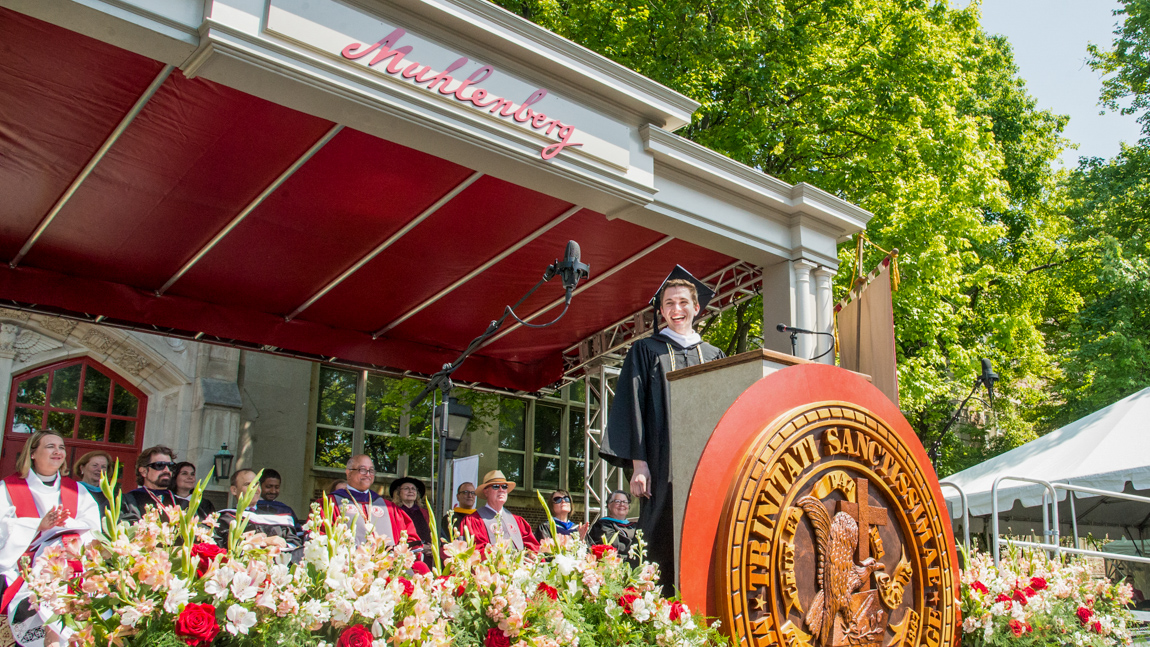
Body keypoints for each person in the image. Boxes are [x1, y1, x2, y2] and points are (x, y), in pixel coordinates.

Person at [600, 266, 724, 593]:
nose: (676, 309)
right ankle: (656, 613)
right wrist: (639, 464)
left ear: (697, 308)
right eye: (668, 303)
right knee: (658, 536)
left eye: (683, 302)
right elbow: (632, 407)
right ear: (661, 310)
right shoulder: (646, 351)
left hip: (705, 466)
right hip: (661, 463)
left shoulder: (714, 356)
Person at [0, 431, 100, 647]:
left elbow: (93, 530)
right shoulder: (8, 488)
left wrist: (67, 529)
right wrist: (38, 525)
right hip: (23, 565)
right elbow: (2, 527)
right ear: (32, 453)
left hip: (69, 565)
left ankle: (55, 638)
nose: (58, 451)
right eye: (50, 446)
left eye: (61, 447)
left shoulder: (77, 490)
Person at [329, 455, 419, 549]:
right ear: (349, 473)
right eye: (362, 470)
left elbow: (410, 537)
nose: (368, 474)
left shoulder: (389, 507)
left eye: (371, 471)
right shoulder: (332, 502)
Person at [213, 469, 299, 552]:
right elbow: (226, 545)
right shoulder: (226, 518)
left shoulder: (276, 517)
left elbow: (296, 544)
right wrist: (262, 541)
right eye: (248, 484)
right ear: (234, 490)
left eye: (256, 484)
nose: (254, 488)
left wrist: (283, 545)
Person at [459, 470, 539, 554]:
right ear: (486, 492)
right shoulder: (473, 521)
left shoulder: (518, 522)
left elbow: (534, 548)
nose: (501, 490)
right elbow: (474, 552)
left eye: (504, 486)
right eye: (496, 486)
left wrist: (532, 556)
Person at [122, 446, 184, 522]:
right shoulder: (129, 502)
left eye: (170, 466)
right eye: (159, 465)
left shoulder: (183, 504)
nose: (167, 470)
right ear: (144, 471)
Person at [588, 490, 639, 566]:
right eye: (617, 501)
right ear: (609, 505)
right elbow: (615, 547)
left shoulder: (635, 526)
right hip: (615, 567)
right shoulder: (602, 525)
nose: (622, 504)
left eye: (625, 502)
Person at [390, 477, 432, 563]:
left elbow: (432, 533)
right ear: (398, 493)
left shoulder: (425, 513)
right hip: (403, 557)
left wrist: (432, 547)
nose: (410, 491)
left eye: (413, 489)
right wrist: (419, 547)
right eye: (406, 488)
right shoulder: (395, 512)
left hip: (426, 557)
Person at [72, 450, 113, 519]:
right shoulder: (72, 490)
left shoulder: (110, 496)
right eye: (95, 465)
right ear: (82, 468)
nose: (99, 469)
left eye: (103, 467)